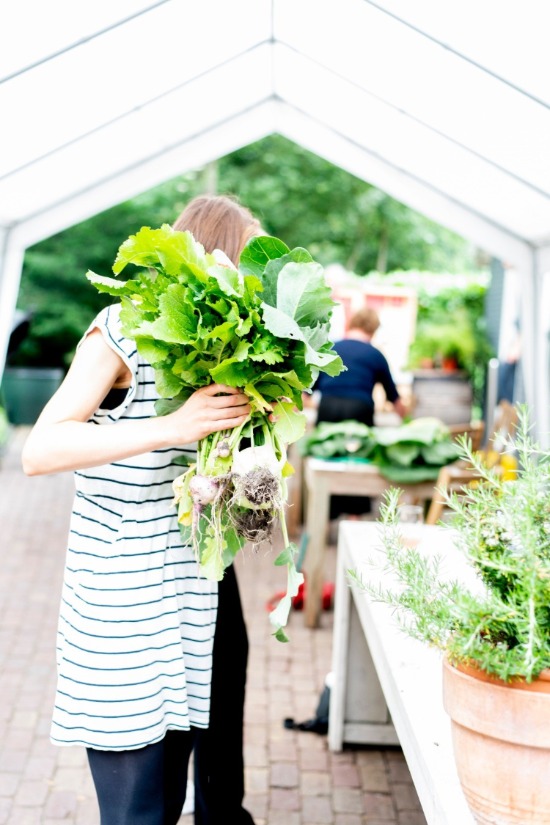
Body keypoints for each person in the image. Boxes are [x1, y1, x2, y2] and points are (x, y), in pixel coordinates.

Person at [22, 194, 260, 825]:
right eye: (249, 255)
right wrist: (177, 426)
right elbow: (40, 449)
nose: (256, 274)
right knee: (134, 814)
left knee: (167, 804)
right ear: (215, 254)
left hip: (186, 593)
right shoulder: (120, 328)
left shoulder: (224, 350)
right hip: (123, 600)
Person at [314, 305, 406, 518]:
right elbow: (394, 398)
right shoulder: (375, 354)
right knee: (358, 462)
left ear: (351, 324)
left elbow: (309, 392)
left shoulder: (330, 348)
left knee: (326, 458)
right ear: (373, 330)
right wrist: (406, 418)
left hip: (329, 406)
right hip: (360, 408)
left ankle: (325, 518)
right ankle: (353, 519)